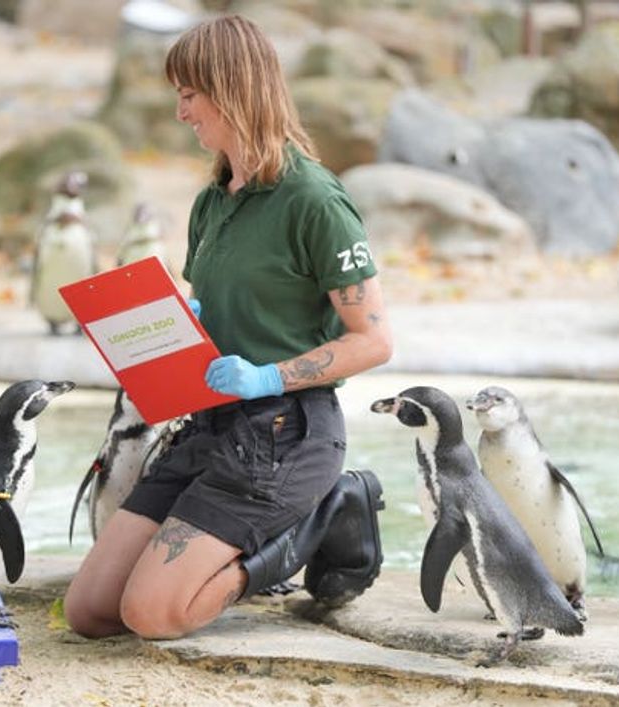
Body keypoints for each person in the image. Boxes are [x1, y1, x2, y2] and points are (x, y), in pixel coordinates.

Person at [64, 14, 393, 640]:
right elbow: (218, 315)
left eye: (190, 96)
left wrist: (270, 374)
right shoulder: (213, 201)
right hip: (213, 426)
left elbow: (373, 340)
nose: (183, 113)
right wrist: (162, 330)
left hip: (288, 437)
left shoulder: (316, 202)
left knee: (151, 614)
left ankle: (316, 518)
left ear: (232, 89)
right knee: (92, 613)